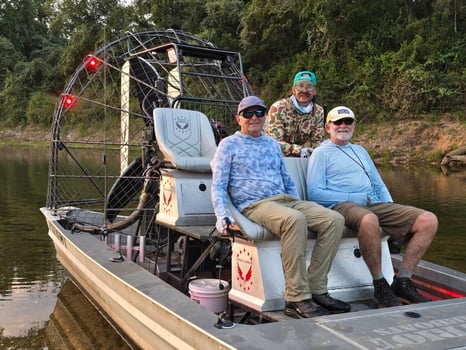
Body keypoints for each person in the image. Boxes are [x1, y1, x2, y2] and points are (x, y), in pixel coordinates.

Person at [211, 95, 350, 318]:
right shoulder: (228, 145)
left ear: (265, 117)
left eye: (259, 112)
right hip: (254, 204)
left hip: (284, 199)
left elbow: (286, 179)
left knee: (334, 219)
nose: (254, 117)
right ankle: (296, 298)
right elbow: (218, 184)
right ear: (239, 118)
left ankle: (317, 289)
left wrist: (297, 202)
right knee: (294, 219)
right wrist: (221, 215)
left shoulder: (272, 144)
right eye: (248, 113)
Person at [306, 106, 438, 308]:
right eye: (337, 122)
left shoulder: (360, 151)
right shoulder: (321, 153)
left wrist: (391, 206)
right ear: (327, 127)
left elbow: (377, 183)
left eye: (347, 122)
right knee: (369, 220)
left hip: (373, 203)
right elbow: (314, 192)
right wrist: (354, 197)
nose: (343, 126)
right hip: (341, 204)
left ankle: (402, 281)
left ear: (354, 125)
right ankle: (380, 284)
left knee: (428, 220)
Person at [265, 71, 325, 158]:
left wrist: (316, 154)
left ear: (314, 91)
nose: (304, 91)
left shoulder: (318, 111)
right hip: (275, 156)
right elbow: (274, 142)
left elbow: (317, 142)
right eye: (300, 86)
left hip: (300, 158)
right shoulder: (279, 108)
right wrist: (299, 150)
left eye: (309, 87)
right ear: (293, 90)